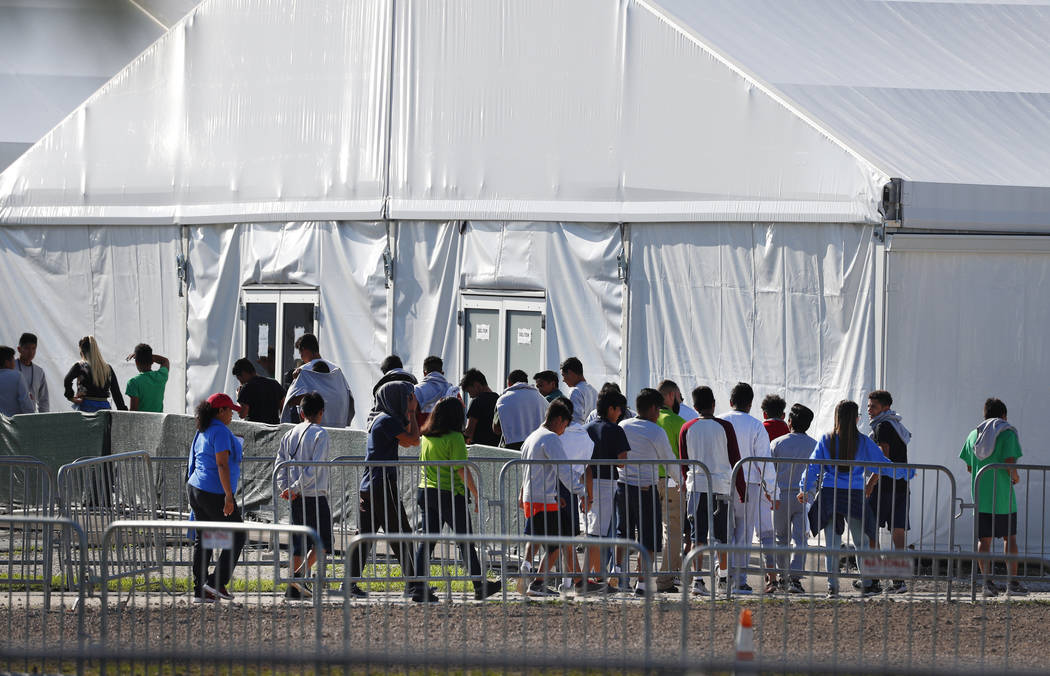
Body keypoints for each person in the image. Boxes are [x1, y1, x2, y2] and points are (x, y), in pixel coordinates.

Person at [798, 399, 907, 598]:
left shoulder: (826, 439)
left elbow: (812, 466)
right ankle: (867, 582)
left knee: (832, 543)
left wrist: (804, 488)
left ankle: (833, 587)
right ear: (856, 418)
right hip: (855, 493)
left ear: (836, 417)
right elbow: (882, 463)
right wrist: (905, 473)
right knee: (862, 542)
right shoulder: (863, 441)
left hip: (830, 493)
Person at [410, 397, 502, 602]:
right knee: (465, 542)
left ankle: (418, 587)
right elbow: (461, 469)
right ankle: (479, 586)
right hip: (450, 494)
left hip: (426, 492)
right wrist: (477, 494)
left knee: (427, 542)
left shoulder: (426, 437)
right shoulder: (454, 438)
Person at [348, 381, 420, 598]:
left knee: (366, 536)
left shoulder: (380, 419)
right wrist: (413, 412)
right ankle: (414, 584)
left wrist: (408, 412)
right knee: (402, 533)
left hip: (370, 485)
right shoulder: (386, 421)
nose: (410, 399)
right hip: (382, 484)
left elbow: (406, 442)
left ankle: (348, 583)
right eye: (407, 396)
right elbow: (414, 440)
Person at [516, 398, 591, 597]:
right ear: (559, 419)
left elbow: (533, 471)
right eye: (565, 425)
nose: (564, 430)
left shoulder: (531, 437)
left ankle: (573, 581)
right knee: (559, 541)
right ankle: (539, 583)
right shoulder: (550, 438)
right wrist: (581, 491)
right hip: (544, 499)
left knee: (557, 539)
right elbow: (563, 470)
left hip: (535, 497)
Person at [679, 386, 746, 595]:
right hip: (721, 487)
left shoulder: (687, 428)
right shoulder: (725, 427)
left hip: (696, 486)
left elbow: (684, 462)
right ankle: (724, 578)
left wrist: (686, 481)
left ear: (695, 406)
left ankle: (698, 579)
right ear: (714, 404)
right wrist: (742, 489)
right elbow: (736, 459)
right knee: (722, 537)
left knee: (697, 536)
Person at [960, 397, 1027, 597]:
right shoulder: (1007, 433)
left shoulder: (974, 434)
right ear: (1004, 415)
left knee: (984, 540)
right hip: (1004, 496)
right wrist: (1015, 478)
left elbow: (969, 466)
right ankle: (1012, 583)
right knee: (1010, 538)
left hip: (981, 495)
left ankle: (987, 583)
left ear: (985, 414)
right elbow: (1010, 464)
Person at [186, 393, 246, 603]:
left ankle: (201, 589)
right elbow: (221, 465)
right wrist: (229, 496)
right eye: (230, 410)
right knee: (238, 534)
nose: (232, 415)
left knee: (205, 538)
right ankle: (215, 583)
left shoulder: (203, 429)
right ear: (220, 411)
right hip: (214, 491)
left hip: (196, 488)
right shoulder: (220, 430)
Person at [618, 388, 678, 594]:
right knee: (648, 537)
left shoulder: (623, 425)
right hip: (646, 488)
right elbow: (669, 460)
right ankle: (642, 583)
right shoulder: (656, 431)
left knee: (623, 534)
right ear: (653, 408)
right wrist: (682, 481)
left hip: (623, 486)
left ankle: (619, 577)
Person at [275, 392, 332, 600]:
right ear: (321, 412)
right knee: (323, 542)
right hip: (314, 494)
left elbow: (280, 462)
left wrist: (286, 486)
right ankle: (297, 578)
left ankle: (294, 586)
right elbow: (315, 468)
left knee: (299, 542)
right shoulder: (321, 434)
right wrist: (296, 487)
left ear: (301, 412)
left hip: (296, 496)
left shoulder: (289, 434)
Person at [720, 382, 774, 594]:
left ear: (731, 401)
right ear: (750, 404)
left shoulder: (721, 421)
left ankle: (723, 575)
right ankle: (740, 581)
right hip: (749, 484)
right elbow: (764, 461)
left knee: (724, 532)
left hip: (722, 483)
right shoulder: (756, 425)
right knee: (744, 532)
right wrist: (772, 490)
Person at [865, 389, 913, 594]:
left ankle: (874, 579)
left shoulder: (883, 426)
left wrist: (871, 482)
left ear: (885, 407)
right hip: (901, 485)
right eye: (868, 406)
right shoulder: (897, 424)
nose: (869, 410)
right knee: (898, 534)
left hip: (884, 486)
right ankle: (899, 581)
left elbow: (883, 457)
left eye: (873, 406)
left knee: (871, 531)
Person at [582, 389, 630, 593]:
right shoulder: (615, 430)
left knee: (593, 531)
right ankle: (586, 579)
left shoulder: (586, 428)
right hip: (606, 483)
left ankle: (595, 578)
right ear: (612, 408)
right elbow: (622, 462)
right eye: (619, 410)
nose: (620, 414)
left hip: (585, 481)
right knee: (597, 534)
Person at [769, 403, 817, 594]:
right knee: (801, 538)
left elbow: (769, 471)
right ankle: (795, 579)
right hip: (804, 496)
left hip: (781, 495)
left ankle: (782, 575)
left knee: (781, 538)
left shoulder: (777, 443)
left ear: (790, 422)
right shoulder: (814, 445)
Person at [655, 380, 688, 591]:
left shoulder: (650, 420)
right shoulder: (677, 422)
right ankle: (666, 579)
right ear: (671, 396)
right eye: (678, 395)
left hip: (648, 482)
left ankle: (670, 576)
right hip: (672, 483)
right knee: (674, 532)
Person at [281, 334, 355, 427]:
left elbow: (290, 401)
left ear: (304, 349)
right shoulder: (337, 370)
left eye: (301, 354)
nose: (301, 357)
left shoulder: (303, 371)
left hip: (313, 428)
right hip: (338, 427)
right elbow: (348, 397)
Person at [63, 336, 126, 411]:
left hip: (86, 406)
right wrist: (123, 411)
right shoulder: (107, 369)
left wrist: (70, 397)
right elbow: (116, 393)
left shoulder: (80, 366)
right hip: (104, 408)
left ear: (82, 351)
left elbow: (67, 380)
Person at [493, 370, 548, 450]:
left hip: (511, 450)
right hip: (536, 447)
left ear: (509, 384)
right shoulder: (542, 399)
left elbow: (496, 429)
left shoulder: (503, 400)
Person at [232, 358, 286, 424]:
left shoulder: (246, 387)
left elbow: (242, 414)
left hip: (255, 430)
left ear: (243, 374)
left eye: (240, 379)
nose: (241, 383)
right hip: (273, 428)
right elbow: (283, 408)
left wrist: (239, 396)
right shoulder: (274, 383)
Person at [459, 368, 500, 446]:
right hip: (497, 449)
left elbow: (469, 433)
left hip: (480, 449)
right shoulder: (499, 399)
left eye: (469, 391)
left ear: (476, 385)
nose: (470, 396)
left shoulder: (477, 401)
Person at [124, 343, 169, 413]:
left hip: (141, 423)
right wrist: (148, 356)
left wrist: (140, 355)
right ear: (151, 361)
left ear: (136, 362)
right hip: (159, 422)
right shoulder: (161, 376)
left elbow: (133, 412)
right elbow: (165, 361)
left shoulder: (133, 382)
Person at [413, 356, 460, 421]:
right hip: (446, 430)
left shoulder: (416, 390)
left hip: (422, 430)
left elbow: (411, 416)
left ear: (424, 373)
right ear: (442, 373)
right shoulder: (453, 391)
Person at [15, 333, 48, 412]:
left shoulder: (39, 371)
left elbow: (44, 399)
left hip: (31, 417)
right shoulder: (10, 368)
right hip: (11, 418)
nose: (31, 352)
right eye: (27, 348)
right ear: (19, 349)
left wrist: (45, 419)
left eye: (33, 348)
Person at [561, 357, 597, 425]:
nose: (563, 380)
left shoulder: (575, 392)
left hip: (582, 433)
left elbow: (576, 421)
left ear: (570, 373)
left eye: (563, 375)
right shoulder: (593, 391)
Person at [0, 346, 34, 416]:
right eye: (13, 359)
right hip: (14, 424)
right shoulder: (17, 376)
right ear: (7, 362)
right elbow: (25, 403)